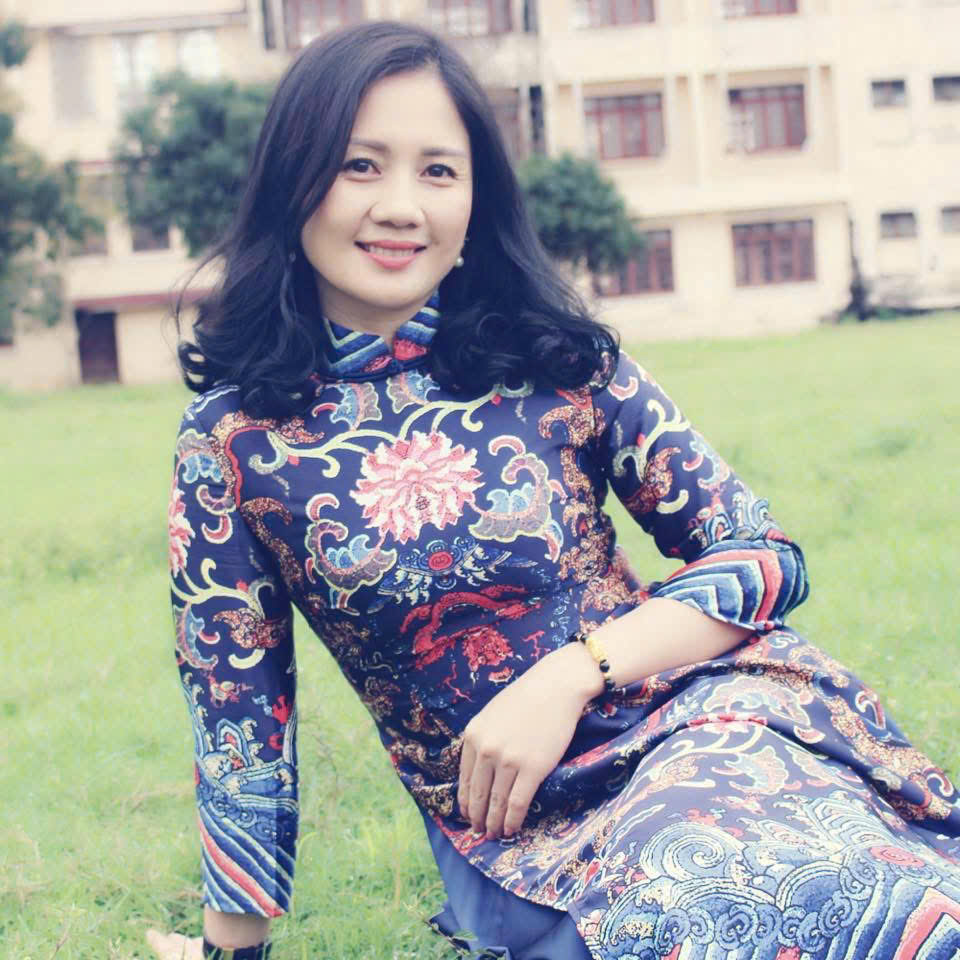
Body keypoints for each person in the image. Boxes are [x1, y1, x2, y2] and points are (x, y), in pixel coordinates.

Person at [149, 20, 960, 960]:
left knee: (860, 885)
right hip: (518, 829)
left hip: (706, 726)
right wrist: (233, 952)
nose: (401, 206)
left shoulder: (559, 364)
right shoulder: (235, 441)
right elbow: (240, 715)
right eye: (359, 166)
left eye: (439, 171)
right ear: (294, 179)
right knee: (705, 884)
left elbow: (764, 559)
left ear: (477, 198)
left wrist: (574, 674)